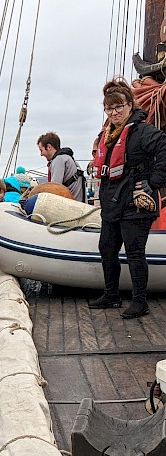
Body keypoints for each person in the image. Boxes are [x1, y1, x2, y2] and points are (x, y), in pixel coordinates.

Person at [89, 77, 166, 319]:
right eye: (109, 108)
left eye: (118, 106)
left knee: (135, 252)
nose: (114, 112)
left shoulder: (142, 132)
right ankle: (112, 295)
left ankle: (139, 302)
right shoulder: (109, 136)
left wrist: (153, 182)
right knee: (106, 248)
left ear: (129, 105)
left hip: (136, 203)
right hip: (112, 202)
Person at [37, 131, 86, 202]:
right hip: (79, 201)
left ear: (49, 147)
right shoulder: (67, 157)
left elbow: (54, 189)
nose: (41, 154)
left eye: (41, 150)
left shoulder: (58, 160)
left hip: (72, 205)